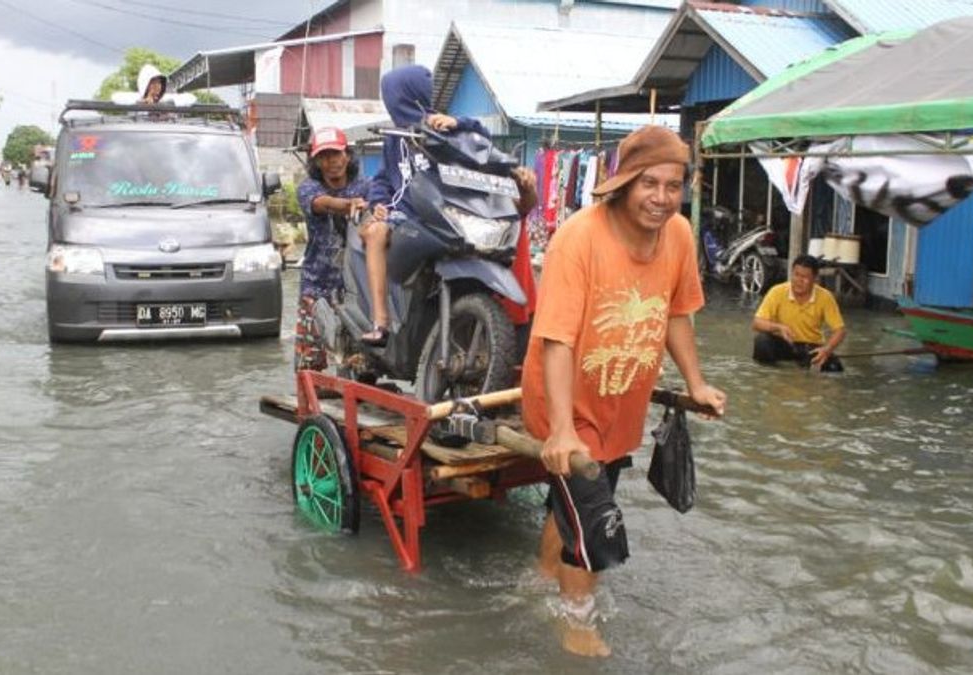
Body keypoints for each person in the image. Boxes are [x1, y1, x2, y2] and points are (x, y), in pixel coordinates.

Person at [522, 126, 727, 658]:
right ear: (623, 184)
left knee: (579, 497)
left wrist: (696, 384)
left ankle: (544, 576)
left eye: (673, 185)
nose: (661, 198)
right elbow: (557, 341)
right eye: (649, 184)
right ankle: (578, 622)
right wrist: (563, 429)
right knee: (595, 517)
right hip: (565, 401)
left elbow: (676, 313)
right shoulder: (579, 238)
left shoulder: (679, 235)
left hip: (622, 400)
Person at [360, 65, 491, 346]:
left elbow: (483, 139)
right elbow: (382, 179)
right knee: (374, 232)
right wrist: (378, 204)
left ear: (405, 96)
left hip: (445, 214)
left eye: (392, 96)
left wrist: (460, 123)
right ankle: (380, 322)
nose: (390, 102)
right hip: (406, 215)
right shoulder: (393, 139)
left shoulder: (443, 128)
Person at [294, 127, 370, 371]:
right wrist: (349, 205)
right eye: (325, 157)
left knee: (356, 362)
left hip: (354, 289)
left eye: (336, 154)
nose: (332, 162)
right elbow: (323, 204)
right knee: (308, 362)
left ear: (347, 155)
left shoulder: (366, 187)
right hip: (316, 286)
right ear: (316, 161)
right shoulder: (308, 189)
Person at [751, 254, 847, 372]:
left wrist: (827, 349)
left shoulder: (825, 297)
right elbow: (757, 323)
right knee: (762, 340)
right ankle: (772, 373)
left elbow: (840, 330)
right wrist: (778, 327)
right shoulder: (777, 292)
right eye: (796, 275)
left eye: (805, 277)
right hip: (784, 344)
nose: (799, 281)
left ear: (815, 279)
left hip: (810, 346)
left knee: (834, 367)